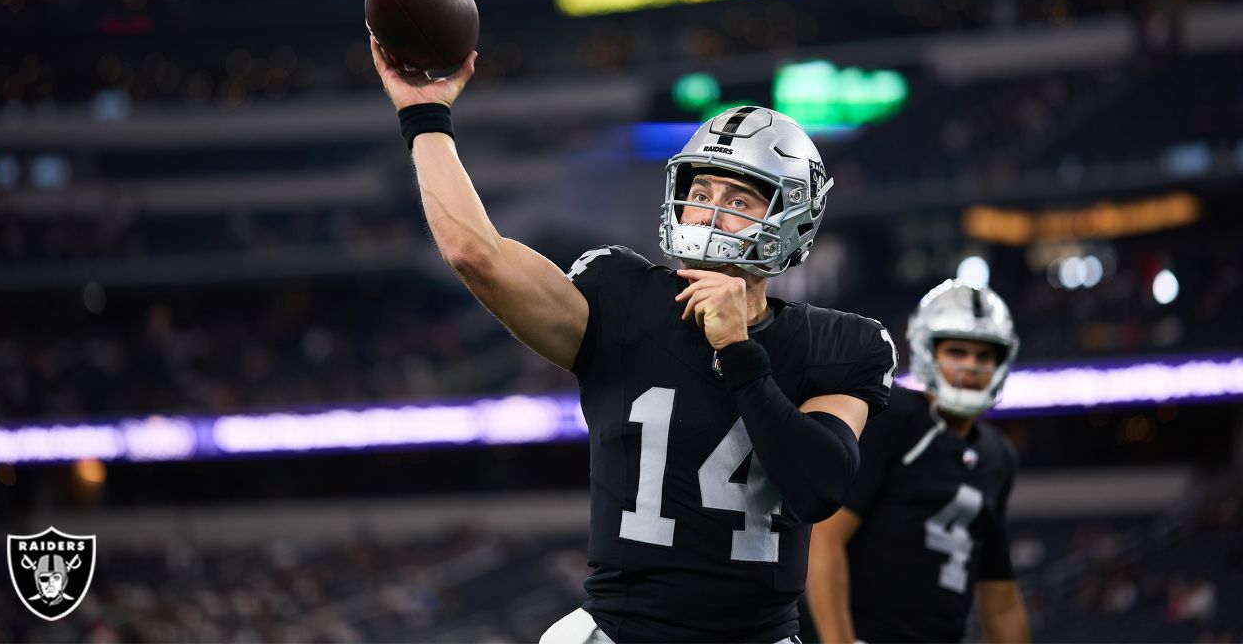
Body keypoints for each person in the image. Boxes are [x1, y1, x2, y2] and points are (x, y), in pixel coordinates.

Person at [371, 41, 897, 644]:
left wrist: (740, 352)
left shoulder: (839, 343)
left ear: (793, 219)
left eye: (738, 200)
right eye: (701, 194)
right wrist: (424, 118)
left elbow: (818, 486)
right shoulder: (620, 296)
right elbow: (476, 254)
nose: (709, 214)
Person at [802, 280, 1031, 643]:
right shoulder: (896, 416)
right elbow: (822, 538)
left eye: (984, 355)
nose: (971, 366)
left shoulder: (997, 454)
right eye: (957, 351)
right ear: (928, 350)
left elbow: (1000, 598)